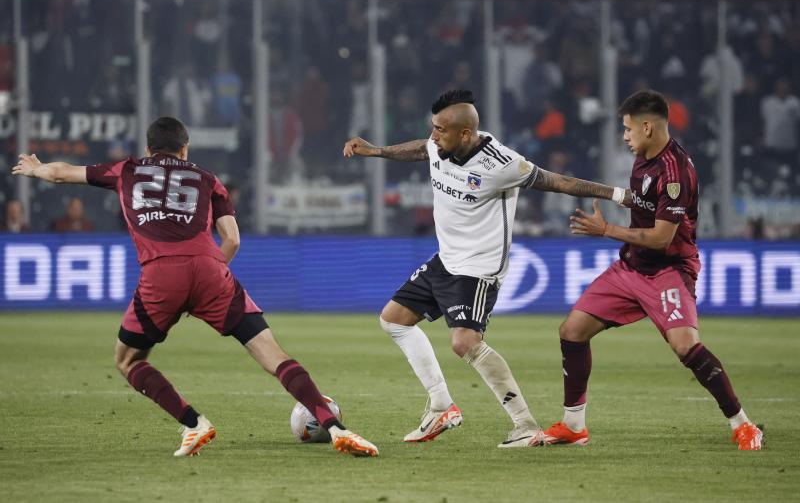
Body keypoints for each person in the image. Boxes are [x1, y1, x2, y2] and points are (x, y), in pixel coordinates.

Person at [13, 116, 378, 458]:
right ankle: (334, 427)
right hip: (210, 269)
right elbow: (232, 240)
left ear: (148, 148)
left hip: (160, 274)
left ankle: (194, 424)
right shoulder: (207, 178)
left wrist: (36, 169)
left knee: (127, 360)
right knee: (274, 355)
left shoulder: (127, 169)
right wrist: (209, 277)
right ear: (184, 149)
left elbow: (62, 174)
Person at [343, 89, 628, 448]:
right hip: (445, 259)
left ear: (465, 133)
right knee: (393, 319)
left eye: (441, 130)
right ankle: (441, 406)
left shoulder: (501, 164)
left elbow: (559, 182)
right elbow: (422, 148)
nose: (434, 136)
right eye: (432, 128)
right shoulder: (439, 144)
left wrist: (618, 195)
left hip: (478, 269)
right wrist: (378, 150)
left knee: (464, 343)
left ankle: (524, 425)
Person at [543, 89, 763, 451]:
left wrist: (607, 230)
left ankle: (743, 424)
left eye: (628, 129)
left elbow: (662, 238)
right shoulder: (644, 157)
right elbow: (640, 199)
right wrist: (598, 192)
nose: (625, 136)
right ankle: (573, 425)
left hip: (669, 271)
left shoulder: (676, 172)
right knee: (572, 331)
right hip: (631, 267)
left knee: (685, 346)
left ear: (647, 126)